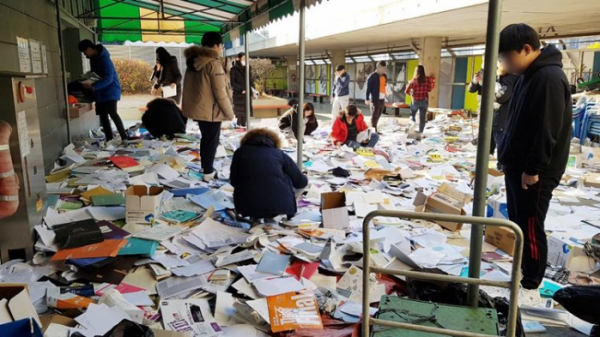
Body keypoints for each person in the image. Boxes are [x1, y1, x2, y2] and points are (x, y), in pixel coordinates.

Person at [498, 23, 572, 290]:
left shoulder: (549, 78)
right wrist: (506, 158)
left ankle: (531, 283)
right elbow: (516, 121)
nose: (505, 63)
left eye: (507, 57)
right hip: (519, 166)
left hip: (535, 172)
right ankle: (523, 271)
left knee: (530, 227)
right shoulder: (528, 75)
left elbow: (546, 129)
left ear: (526, 49)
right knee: (519, 223)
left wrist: (532, 168)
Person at [182, 32, 234, 182]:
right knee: (211, 141)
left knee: (206, 139)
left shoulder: (194, 61)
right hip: (211, 110)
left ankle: (206, 168)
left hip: (199, 107)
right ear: (216, 45)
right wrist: (230, 113)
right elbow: (220, 93)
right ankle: (208, 172)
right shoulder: (212, 63)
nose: (221, 49)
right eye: (221, 46)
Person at [230, 128, 308, 221]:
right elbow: (301, 182)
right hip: (281, 205)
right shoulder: (279, 154)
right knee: (288, 177)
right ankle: (279, 209)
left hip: (248, 207)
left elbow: (234, 181)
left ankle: (257, 217)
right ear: (275, 141)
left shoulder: (240, 152)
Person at [78, 39, 128, 142]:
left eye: (84, 52)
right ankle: (109, 139)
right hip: (99, 90)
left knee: (112, 113)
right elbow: (94, 74)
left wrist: (93, 86)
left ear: (89, 49)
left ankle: (124, 138)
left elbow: (109, 79)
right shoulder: (92, 58)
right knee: (102, 115)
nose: (85, 55)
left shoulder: (105, 59)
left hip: (111, 90)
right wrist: (88, 79)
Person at [151, 48, 183, 122]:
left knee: (173, 109)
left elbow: (178, 75)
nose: (157, 57)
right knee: (165, 109)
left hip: (173, 89)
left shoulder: (172, 60)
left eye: (158, 55)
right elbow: (159, 79)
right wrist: (158, 69)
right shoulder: (161, 64)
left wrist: (174, 82)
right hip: (165, 89)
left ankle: (177, 125)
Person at [492, 60, 518, 151]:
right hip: (502, 121)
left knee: (502, 151)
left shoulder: (509, 78)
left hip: (503, 121)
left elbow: (502, 97)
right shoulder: (503, 77)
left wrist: (492, 93)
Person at [405, 65, 435, 134]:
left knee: (412, 116)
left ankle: (412, 128)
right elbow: (429, 89)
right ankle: (420, 133)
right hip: (424, 101)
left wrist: (412, 94)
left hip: (415, 101)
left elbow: (406, 91)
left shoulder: (413, 81)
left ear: (416, 72)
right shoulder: (427, 79)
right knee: (422, 119)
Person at [230, 52, 254, 127]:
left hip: (247, 95)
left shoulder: (248, 68)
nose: (245, 60)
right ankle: (239, 127)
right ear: (239, 59)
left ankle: (244, 128)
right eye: (243, 58)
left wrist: (253, 90)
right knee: (239, 115)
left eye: (246, 58)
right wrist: (241, 90)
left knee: (246, 115)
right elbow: (232, 83)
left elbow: (251, 81)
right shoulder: (234, 69)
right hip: (239, 95)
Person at [365, 61, 388, 133]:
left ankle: (375, 129)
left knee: (379, 114)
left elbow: (385, 85)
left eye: (385, 68)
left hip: (382, 98)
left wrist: (386, 92)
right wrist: (367, 98)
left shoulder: (384, 76)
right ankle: (373, 131)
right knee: (374, 115)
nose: (384, 70)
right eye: (382, 68)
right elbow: (368, 88)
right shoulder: (372, 76)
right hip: (375, 99)